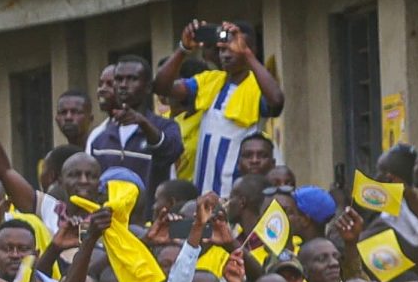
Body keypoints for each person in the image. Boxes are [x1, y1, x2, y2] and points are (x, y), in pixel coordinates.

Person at [155, 19, 284, 196]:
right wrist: (183, 49)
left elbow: (276, 102)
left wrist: (247, 55)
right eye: (222, 49)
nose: (226, 54)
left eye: (233, 48)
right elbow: (162, 87)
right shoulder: (210, 81)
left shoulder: (257, 86)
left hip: (237, 199)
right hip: (204, 197)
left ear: (250, 50)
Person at [85, 53, 183, 195]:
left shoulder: (166, 127)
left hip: (150, 216)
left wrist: (143, 123)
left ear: (148, 87)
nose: (123, 85)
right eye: (119, 79)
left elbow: (170, 151)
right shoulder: (100, 136)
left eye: (132, 79)